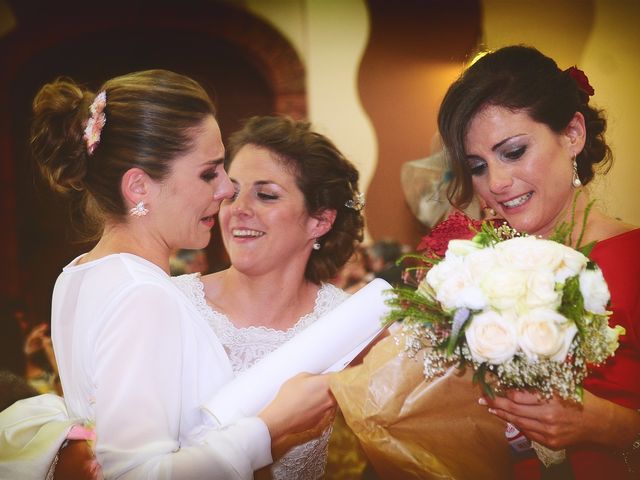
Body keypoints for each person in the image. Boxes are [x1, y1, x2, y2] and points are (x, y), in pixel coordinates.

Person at [6, 70, 336, 479]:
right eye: (208, 172)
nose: (226, 190)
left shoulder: (75, 276)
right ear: (139, 187)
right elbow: (135, 473)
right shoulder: (144, 295)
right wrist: (268, 429)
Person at [437, 45, 640, 478]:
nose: (496, 183)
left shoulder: (632, 261)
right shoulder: (479, 270)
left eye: (512, 152)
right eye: (477, 165)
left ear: (572, 134)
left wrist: (603, 424)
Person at [172, 115, 367, 479]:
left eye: (266, 195)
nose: (237, 209)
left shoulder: (347, 322)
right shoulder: (172, 303)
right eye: (232, 193)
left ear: (319, 221)